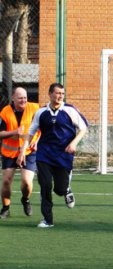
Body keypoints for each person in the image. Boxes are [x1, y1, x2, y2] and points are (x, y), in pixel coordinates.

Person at [17, 83, 88, 228]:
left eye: (62, 93)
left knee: (59, 189)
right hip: (45, 154)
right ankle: (47, 220)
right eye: (57, 93)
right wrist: (23, 151)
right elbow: (30, 133)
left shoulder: (70, 110)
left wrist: (73, 143)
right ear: (50, 94)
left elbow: (83, 128)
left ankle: (66, 190)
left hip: (63, 155)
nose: (60, 96)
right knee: (45, 185)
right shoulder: (41, 112)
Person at [0, 87, 40, 219]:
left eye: (25, 97)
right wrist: (14, 132)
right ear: (13, 98)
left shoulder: (35, 108)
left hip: (28, 151)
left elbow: (43, 127)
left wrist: (38, 141)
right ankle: (6, 208)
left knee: (27, 182)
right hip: (9, 152)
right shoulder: (5, 112)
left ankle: (25, 199)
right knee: (6, 181)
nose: (23, 100)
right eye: (20, 97)